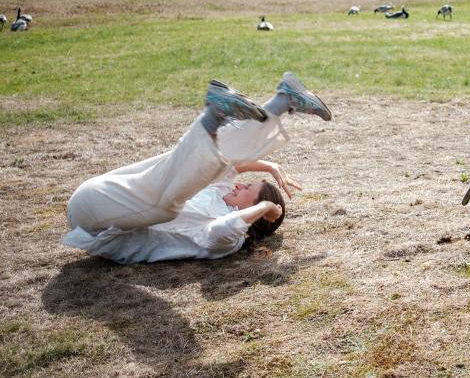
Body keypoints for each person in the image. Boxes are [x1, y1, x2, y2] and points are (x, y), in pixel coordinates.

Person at [62, 73, 332, 264]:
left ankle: (218, 115)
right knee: (206, 164)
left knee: (168, 204)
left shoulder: (229, 240)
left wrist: (266, 208)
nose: (241, 183)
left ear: (250, 213)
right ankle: (282, 101)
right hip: (103, 195)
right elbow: (232, 163)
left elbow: (222, 229)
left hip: (95, 222)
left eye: (248, 188)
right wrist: (270, 165)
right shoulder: (218, 192)